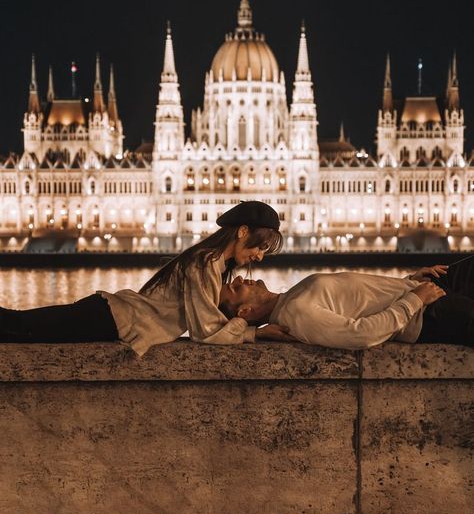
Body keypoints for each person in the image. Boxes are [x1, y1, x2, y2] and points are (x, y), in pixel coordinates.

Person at [0, 201, 292, 354]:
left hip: (112, 315)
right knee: (22, 327)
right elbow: (206, 331)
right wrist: (255, 332)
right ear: (243, 232)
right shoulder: (206, 262)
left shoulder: (213, 264)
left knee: (23, 326)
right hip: (113, 317)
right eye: (261, 247)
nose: (259, 256)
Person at [219, 261, 474, 349]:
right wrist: (415, 299)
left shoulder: (288, 298)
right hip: (429, 314)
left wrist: (408, 281)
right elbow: (361, 334)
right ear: (245, 311)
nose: (240, 278)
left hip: (422, 288)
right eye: (235, 288)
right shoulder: (295, 314)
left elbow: (359, 300)